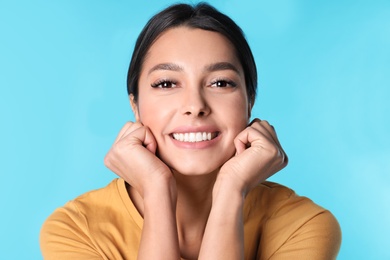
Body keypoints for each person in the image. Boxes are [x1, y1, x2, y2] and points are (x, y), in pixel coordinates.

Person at [40, 3, 341, 259]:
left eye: (220, 82)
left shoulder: (304, 225)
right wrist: (157, 189)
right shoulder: (75, 229)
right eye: (167, 83)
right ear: (135, 104)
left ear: (250, 101)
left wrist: (231, 190)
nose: (195, 106)